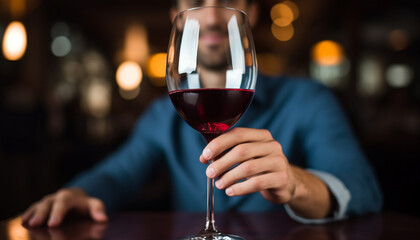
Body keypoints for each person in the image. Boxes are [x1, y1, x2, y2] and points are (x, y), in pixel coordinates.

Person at [21, 0, 382, 227]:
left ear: (251, 12)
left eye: (225, 0)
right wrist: (79, 193)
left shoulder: (309, 99)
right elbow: (118, 174)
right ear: (176, 17)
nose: (210, 15)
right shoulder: (162, 114)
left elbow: (363, 189)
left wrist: (295, 182)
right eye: (196, 1)